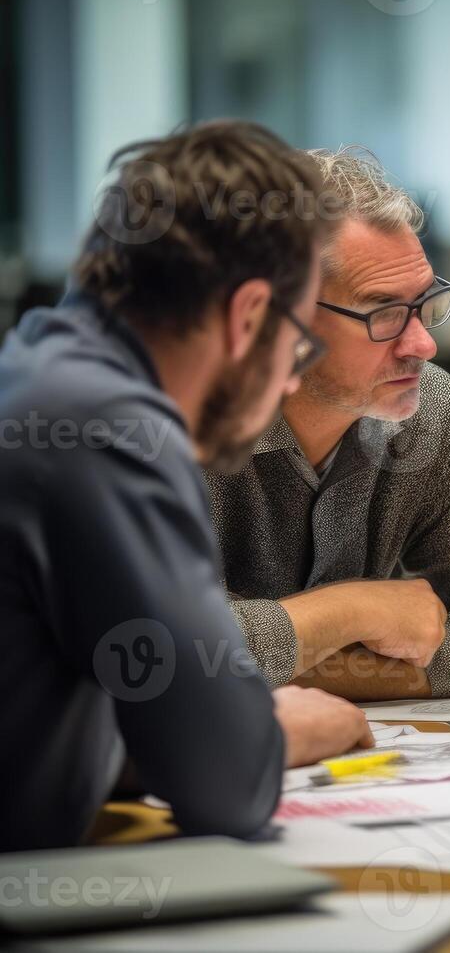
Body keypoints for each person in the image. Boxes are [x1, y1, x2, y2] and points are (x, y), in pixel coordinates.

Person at [0, 121, 372, 852]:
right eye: (297, 343)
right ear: (247, 317)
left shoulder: (36, 373)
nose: (292, 378)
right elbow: (226, 783)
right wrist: (276, 728)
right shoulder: (111, 431)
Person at [205, 148, 450, 701]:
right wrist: (354, 610)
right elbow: (149, 646)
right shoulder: (174, 427)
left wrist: (318, 665)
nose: (424, 344)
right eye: (383, 313)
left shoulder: (428, 413)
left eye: (424, 304)